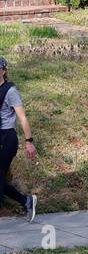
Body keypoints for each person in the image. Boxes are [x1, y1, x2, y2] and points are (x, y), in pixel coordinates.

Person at [0, 56, 37, 222]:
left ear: (3, 70)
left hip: (7, 137)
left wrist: (29, 142)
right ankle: (25, 200)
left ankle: (24, 201)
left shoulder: (10, 91)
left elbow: (22, 117)